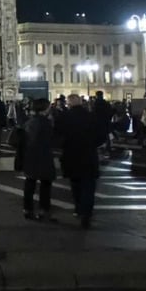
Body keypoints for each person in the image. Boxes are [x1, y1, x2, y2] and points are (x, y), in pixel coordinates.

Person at [55, 94, 100, 228]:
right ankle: (87, 212)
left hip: (71, 154)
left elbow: (57, 135)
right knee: (89, 185)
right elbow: (101, 134)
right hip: (88, 154)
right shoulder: (91, 116)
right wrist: (93, 144)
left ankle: (79, 208)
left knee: (75, 184)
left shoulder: (64, 117)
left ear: (69, 104)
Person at [20, 98, 57, 223]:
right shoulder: (45, 122)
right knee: (45, 185)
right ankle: (43, 210)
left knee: (29, 184)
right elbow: (51, 139)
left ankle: (27, 209)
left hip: (30, 156)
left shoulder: (30, 122)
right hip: (43, 156)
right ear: (45, 108)